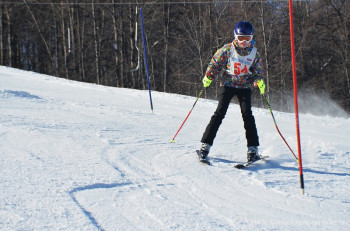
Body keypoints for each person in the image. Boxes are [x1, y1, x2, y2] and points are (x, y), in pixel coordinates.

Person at [198, 21, 266, 162]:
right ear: (235, 36)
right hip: (228, 84)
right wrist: (209, 76)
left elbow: (258, 71)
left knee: (247, 115)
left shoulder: (254, 53)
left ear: (252, 38)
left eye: (247, 38)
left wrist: (258, 80)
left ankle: (252, 149)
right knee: (219, 112)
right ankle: (205, 145)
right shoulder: (227, 49)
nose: (243, 42)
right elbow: (215, 63)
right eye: (241, 38)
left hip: (244, 86)